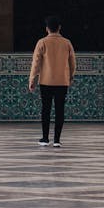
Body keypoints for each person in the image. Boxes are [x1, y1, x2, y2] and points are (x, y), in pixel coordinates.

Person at [28, 15, 76, 147]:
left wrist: (32, 79)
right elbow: (72, 63)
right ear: (59, 28)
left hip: (45, 82)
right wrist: (71, 76)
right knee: (60, 110)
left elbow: (36, 63)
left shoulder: (42, 42)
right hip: (62, 82)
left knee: (46, 110)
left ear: (47, 29)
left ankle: (45, 138)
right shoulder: (67, 43)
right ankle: (57, 140)